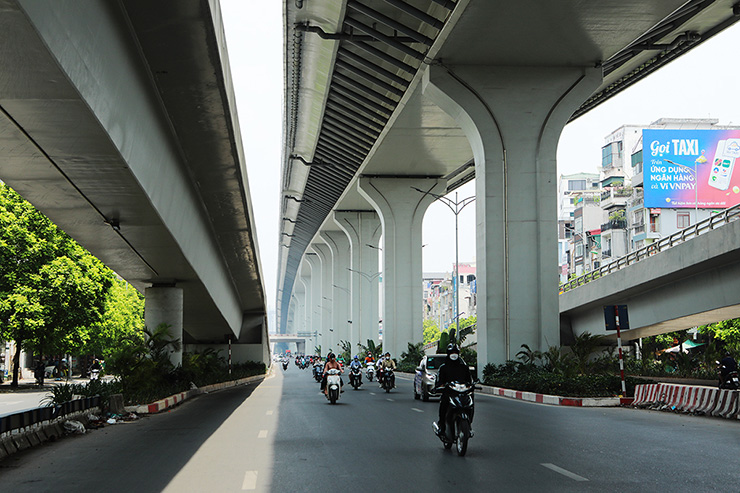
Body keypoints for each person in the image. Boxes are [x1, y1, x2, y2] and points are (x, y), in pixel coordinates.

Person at [434, 344, 474, 437]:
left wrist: (471, 385)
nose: (454, 355)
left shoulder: (464, 367)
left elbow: (469, 380)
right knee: (443, 405)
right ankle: (442, 427)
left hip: (463, 393)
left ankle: (469, 425)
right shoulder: (443, 368)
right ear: (448, 354)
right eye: (452, 353)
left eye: (455, 352)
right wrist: (440, 386)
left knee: (470, 404)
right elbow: (439, 381)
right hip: (449, 393)